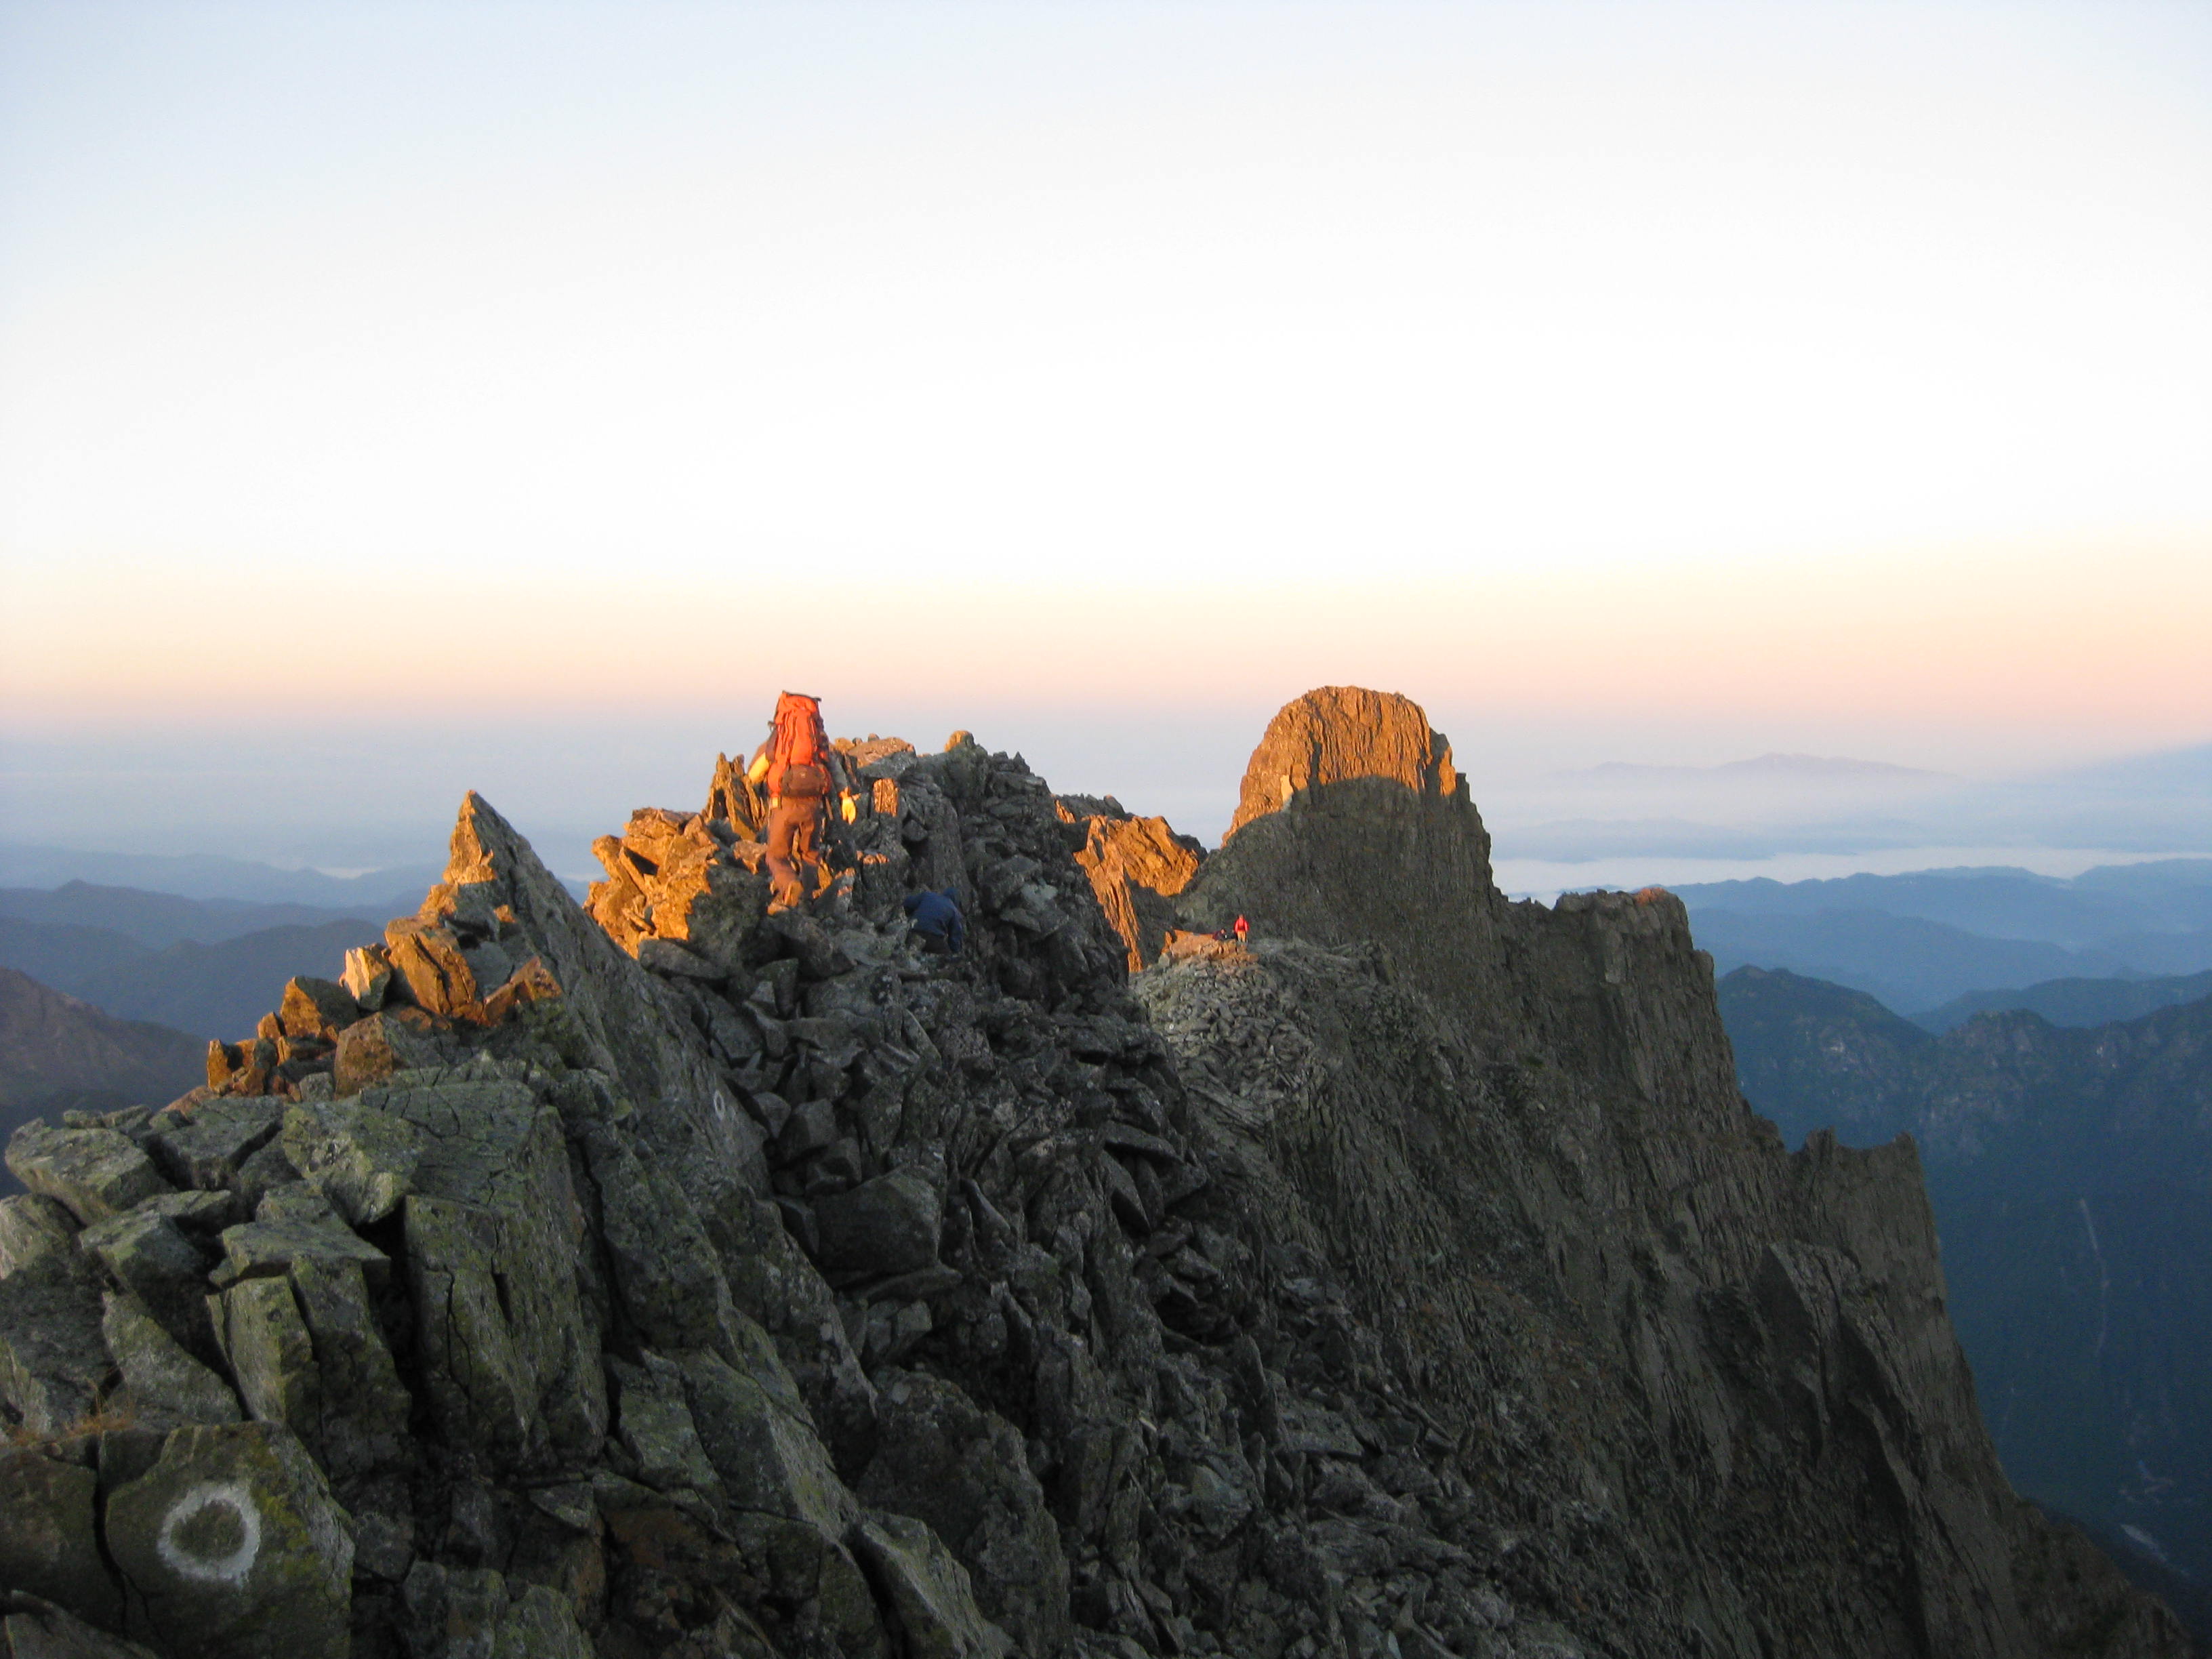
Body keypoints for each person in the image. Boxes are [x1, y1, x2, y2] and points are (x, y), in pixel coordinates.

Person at [746, 691, 834, 912]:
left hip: (784, 805)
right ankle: (806, 899)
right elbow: (835, 772)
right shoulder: (819, 741)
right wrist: (846, 798)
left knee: (776, 856)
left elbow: (754, 775)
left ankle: (789, 884)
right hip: (813, 806)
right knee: (810, 854)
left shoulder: (778, 742)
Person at [903, 888, 965, 958]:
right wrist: (955, 953)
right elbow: (955, 937)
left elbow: (908, 903)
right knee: (946, 958)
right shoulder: (953, 910)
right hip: (932, 938)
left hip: (913, 932)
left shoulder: (927, 895)